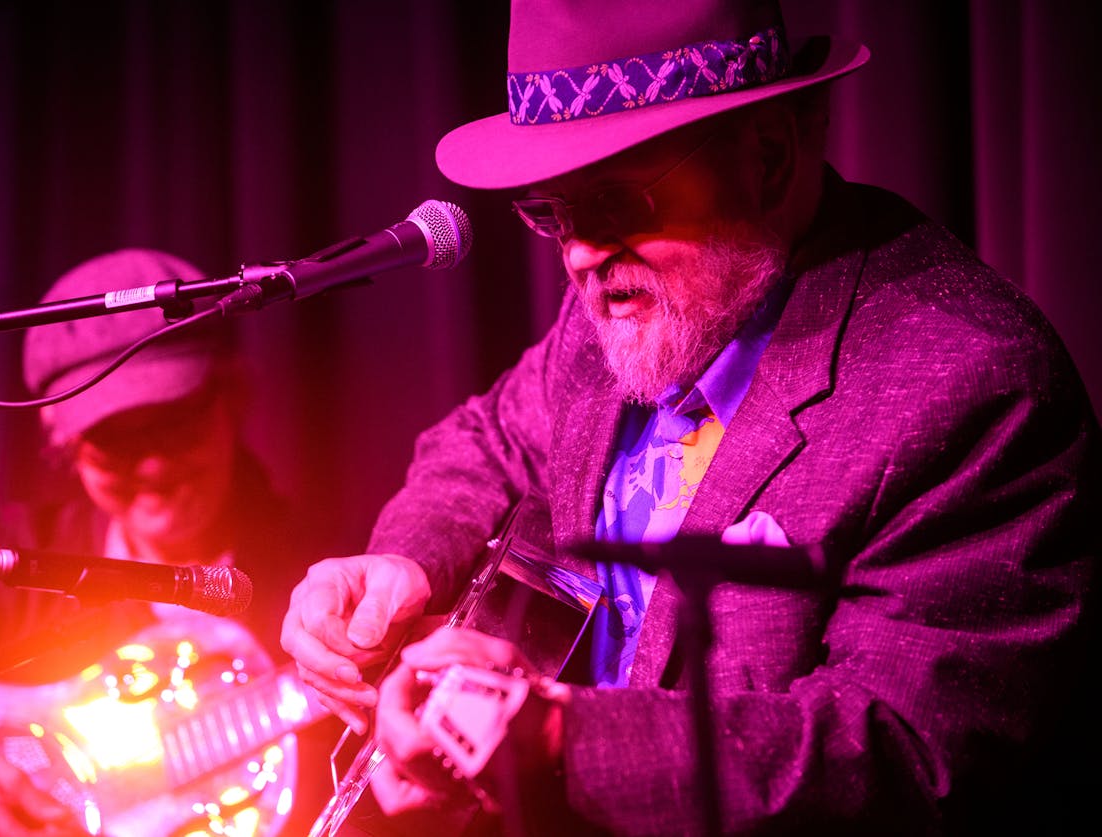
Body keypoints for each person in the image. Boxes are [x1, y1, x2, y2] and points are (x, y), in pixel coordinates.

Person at [279, 1, 1099, 834]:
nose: (579, 256)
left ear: (769, 158)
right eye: (551, 214)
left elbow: (897, 753)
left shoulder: (971, 384)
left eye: (613, 203)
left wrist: (562, 736)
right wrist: (404, 562)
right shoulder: (627, 307)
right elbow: (485, 442)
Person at [0, 248, 335, 836]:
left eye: (176, 423)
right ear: (63, 442)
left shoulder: (322, 582)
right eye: (112, 442)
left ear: (235, 396)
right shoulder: (9, 561)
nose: (150, 465)